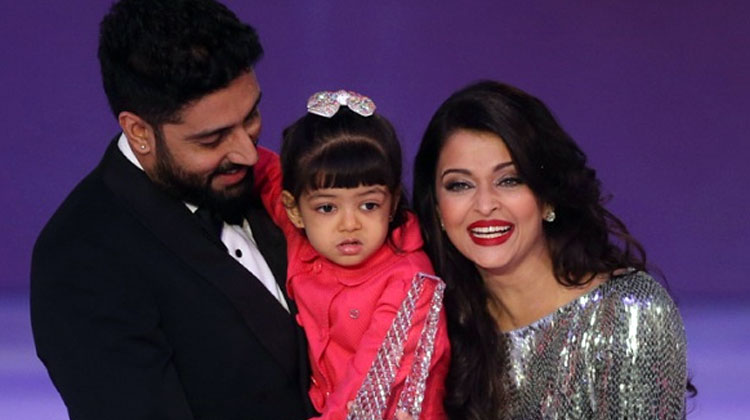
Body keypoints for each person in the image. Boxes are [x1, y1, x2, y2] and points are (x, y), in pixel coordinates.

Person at [29, 1, 315, 419]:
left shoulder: (282, 182)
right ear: (139, 132)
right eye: (212, 139)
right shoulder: (79, 259)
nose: (248, 153)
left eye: (251, 116)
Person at [412, 80, 690, 419]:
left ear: (547, 197)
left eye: (509, 180)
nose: (484, 205)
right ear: (438, 209)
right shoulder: (436, 329)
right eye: (460, 185)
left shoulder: (627, 314)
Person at [251, 90, 450, 420]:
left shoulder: (410, 280)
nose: (349, 224)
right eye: (328, 208)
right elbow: (264, 170)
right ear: (294, 210)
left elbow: (367, 386)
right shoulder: (302, 234)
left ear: (392, 203)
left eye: (369, 205)